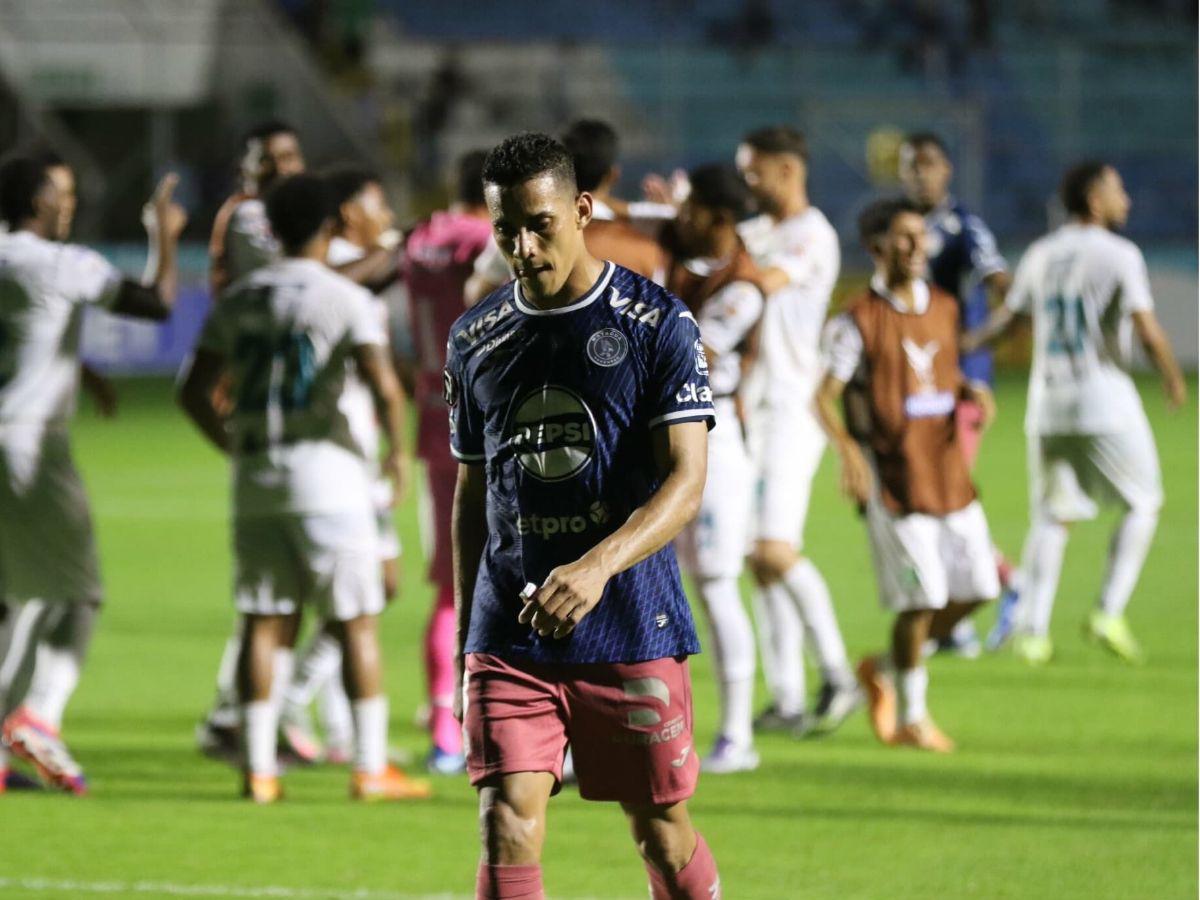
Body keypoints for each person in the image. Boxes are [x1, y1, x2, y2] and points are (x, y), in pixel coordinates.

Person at [450, 133, 720, 899]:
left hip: (630, 622)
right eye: (506, 229)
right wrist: (475, 633)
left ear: (581, 208)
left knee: (660, 832)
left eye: (540, 224)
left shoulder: (657, 325)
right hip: (513, 631)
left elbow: (686, 480)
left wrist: (598, 564)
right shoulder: (475, 340)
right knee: (507, 817)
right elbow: (475, 498)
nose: (522, 247)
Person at [178, 174, 429, 803]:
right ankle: (370, 767)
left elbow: (192, 389)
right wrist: (395, 454)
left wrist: (235, 443)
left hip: (257, 479)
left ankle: (258, 769)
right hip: (330, 477)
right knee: (356, 621)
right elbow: (381, 382)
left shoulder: (239, 296)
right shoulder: (344, 296)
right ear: (330, 226)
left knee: (265, 620)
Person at [0, 154, 185, 793]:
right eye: (63, 192)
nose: (71, 203)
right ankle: (39, 715)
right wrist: (162, 232)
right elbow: (158, 304)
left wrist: (80, 370)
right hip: (29, 445)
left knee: (8, 598)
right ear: (35, 200)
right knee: (80, 592)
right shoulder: (61, 264)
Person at [964, 162, 1186, 666]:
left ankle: (1033, 632)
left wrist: (965, 343)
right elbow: (1146, 330)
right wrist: (1172, 376)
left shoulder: (1041, 254)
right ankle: (1108, 610)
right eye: (1117, 190)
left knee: (1051, 516)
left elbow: (1010, 323)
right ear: (1093, 200)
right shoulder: (1120, 255)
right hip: (1104, 399)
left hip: (1047, 406)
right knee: (1144, 503)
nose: (1125, 199)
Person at [816, 197, 1000, 753]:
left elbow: (940, 370)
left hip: (948, 471)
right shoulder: (857, 320)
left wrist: (971, 390)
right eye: (904, 238)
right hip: (894, 479)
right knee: (921, 602)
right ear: (877, 248)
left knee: (980, 590)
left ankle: (885, 667)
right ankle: (913, 718)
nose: (918, 246)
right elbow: (823, 397)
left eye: (921, 236)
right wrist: (848, 451)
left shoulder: (945, 305)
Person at [278, 167, 404, 766]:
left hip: (351, 446)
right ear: (349, 214)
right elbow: (335, 281)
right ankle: (291, 702)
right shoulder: (340, 265)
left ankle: (335, 728)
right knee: (372, 586)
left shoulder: (360, 260)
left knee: (356, 593)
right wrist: (389, 252)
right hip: (340, 455)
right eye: (377, 204)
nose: (386, 215)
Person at [735, 126, 859, 735]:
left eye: (754, 171)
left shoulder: (811, 235)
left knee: (774, 550)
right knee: (755, 558)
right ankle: (785, 696)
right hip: (750, 410)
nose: (747, 183)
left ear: (787, 170)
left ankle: (838, 674)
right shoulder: (760, 232)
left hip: (791, 408)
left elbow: (758, 283)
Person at [898, 131, 1016, 655]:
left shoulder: (963, 227)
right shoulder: (897, 227)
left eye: (929, 164)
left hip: (958, 384)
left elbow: (1003, 288)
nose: (920, 174)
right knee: (928, 490)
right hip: (914, 383)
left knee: (941, 492)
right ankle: (958, 620)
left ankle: (1009, 585)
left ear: (947, 170)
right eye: (911, 165)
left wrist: (976, 343)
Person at [668, 163, 765, 774]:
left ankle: (736, 735)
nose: (684, 219)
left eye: (694, 210)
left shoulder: (744, 287)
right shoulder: (694, 264)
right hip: (676, 437)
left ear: (720, 218)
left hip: (718, 438)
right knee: (664, 588)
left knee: (717, 585)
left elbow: (693, 351)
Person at [399, 150, 493, 775]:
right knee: (504, 571)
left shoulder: (421, 241)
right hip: (484, 418)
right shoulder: (483, 243)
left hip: (433, 413)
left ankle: (442, 727)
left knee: (448, 580)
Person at [464, 118, 668, 303]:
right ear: (612, 175)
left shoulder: (516, 230)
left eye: (542, 225)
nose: (525, 249)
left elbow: (476, 295)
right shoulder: (645, 248)